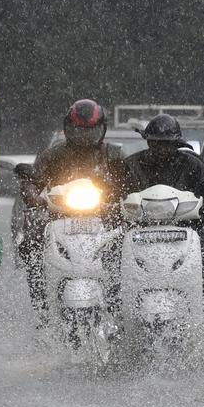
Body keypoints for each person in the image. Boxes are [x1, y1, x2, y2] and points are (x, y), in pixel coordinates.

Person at [21, 99, 129, 317]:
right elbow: (33, 180)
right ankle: (41, 300)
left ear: (102, 129)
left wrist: (125, 201)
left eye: (90, 131)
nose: (84, 136)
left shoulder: (114, 155)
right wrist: (33, 195)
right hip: (60, 215)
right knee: (32, 240)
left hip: (106, 217)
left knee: (128, 239)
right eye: (79, 130)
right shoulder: (54, 154)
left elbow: (132, 182)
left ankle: (120, 299)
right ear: (68, 129)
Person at [123, 113, 204, 293]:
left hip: (186, 230)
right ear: (148, 141)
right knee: (113, 245)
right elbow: (112, 193)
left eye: (166, 143)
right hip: (138, 230)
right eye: (156, 143)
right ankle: (116, 297)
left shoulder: (193, 165)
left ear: (176, 143)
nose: (161, 149)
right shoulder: (131, 164)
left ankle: (203, 291)